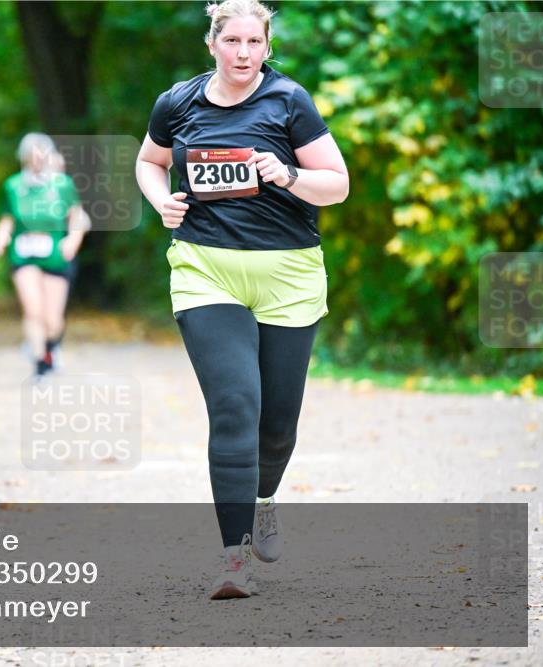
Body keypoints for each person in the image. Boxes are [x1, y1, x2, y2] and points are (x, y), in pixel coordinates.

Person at [135, 0, 349, 599]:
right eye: (232, 41)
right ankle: (234, 560)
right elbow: (150, 161)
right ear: (212, 44)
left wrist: (287, 174)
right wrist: (160, 200)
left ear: (267, 46)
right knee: (234, 407)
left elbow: (337, 184)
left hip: (288, 276)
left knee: (276, 427)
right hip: (206, 271)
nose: (244, 53)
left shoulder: (289, 101)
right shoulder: (178, 102)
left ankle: (264, 499)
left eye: (255, 43)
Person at [0, 134, 88, 378]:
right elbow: (7, 219)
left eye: (42, 154)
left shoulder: (62, 185)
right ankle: (39, 362)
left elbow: (77, 217)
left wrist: (72, 240)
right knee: (33, 311)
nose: (38, 159)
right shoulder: (13, 186)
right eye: (32, 155)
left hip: (54, 254)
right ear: (24, 157)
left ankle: (51, 348)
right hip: (24, 255)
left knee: (53, 320)